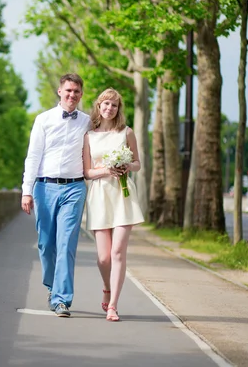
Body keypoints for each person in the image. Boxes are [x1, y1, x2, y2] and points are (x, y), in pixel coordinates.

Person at [21, 73, 92, 318]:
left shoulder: (87, 122)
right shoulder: (43, 120)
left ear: (81, 95)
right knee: (45, 243)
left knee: (66, 244)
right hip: (44, 187)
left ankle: (62, 299)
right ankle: (52, 286)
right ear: (60, 92)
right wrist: (26, 191)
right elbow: (33, 156)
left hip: (74, 188)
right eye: (68, 90)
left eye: (76, 91)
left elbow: (106, 138)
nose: (72, 95)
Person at [82, 88, 144, 322]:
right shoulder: (89, 136)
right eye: (105, 104)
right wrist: (106, 170)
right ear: (99, 107)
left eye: (114, 105)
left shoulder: (126, 133)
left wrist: (127, 167)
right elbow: (87, 172)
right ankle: (106, 286)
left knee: (118, 251)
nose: (109, 108)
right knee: (104, 257)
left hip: (123, 195)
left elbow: (137, 162)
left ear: (119, 109)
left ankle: (113, 306)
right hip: (99, 196)